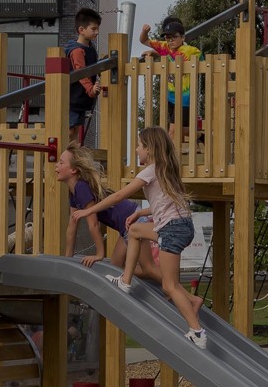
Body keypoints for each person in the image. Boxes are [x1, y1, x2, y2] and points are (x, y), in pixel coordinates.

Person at [72, 127, 208, 348]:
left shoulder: (150, 171)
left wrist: (89, 210)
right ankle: (126, 281)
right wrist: (139, 212)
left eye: (139, 146)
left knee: (169, 285)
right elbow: (163, 205)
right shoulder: (166, 170)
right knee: (134, 231)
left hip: (172, 229)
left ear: (149, 149)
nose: (136, 150)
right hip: (180, 226)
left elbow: (118, 196)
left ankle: (197, 331)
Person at [56, 146, 153, 278]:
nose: (56, 165)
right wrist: (68, 260)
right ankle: (166, 284)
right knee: (116, 265)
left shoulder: (81, 188)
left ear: (73, 169)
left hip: (134, 220)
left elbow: (93, 224)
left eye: (61, 163)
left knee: (148, 268)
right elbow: (72, 227)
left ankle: (172, 286)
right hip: (126, 225)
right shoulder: (74, 191)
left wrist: (99, 254)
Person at [139, 18, 203, 144]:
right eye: (168, 37)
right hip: (171, 96)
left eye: (174, 37)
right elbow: (144, 40)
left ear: (183, 38)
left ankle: (168, 160)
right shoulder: (164, 47)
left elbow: (204, 61)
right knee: (183, 129)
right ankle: (201, 136)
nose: (170, 40)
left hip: (185, 96)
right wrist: (145, 32)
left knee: (172, 131)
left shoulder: (190, 51)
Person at [65, 8, 105, 146]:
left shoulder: (90, 49)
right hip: (73, 97)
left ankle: (74, 158)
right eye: (93, 29)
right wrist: (90, 90)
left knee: (75, 130)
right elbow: (81, 73)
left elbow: (91, 67)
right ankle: (68, 157)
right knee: (70, 130)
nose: (97, 32)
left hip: (80, 99)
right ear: (81, 30)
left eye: (97, 29)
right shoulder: (77, 51)